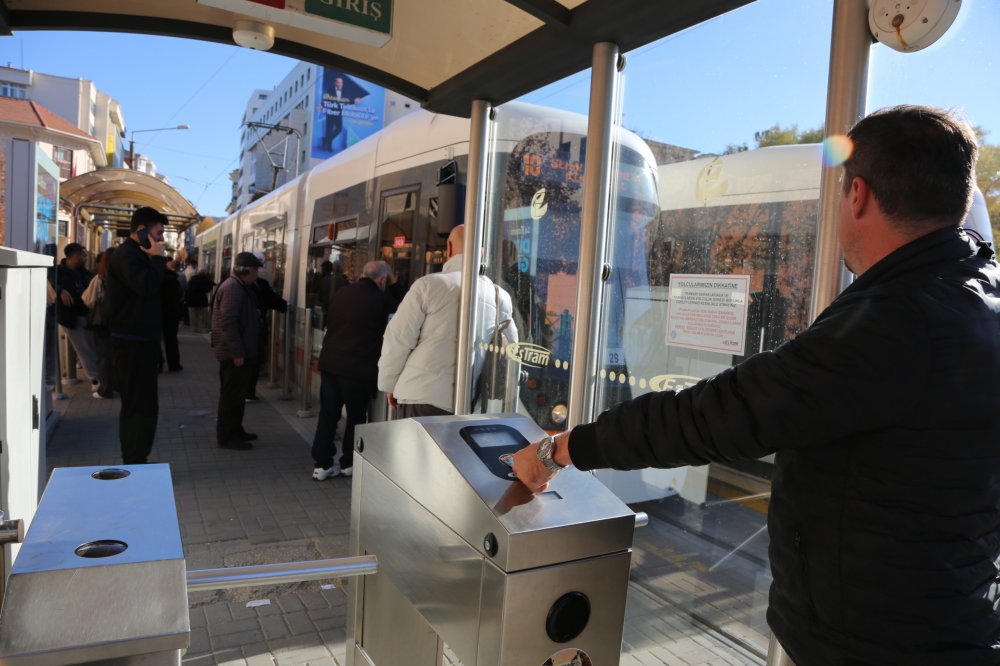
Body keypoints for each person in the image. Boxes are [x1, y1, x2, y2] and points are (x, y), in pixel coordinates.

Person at [512, 106, 999, 665]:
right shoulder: (978, 302)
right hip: (947, 619)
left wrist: (564, 448)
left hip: (875, 642)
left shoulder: (896, 321)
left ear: (858, 195)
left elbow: (719, 415)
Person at [378, 224, 517, 417]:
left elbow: (398, 339)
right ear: (482, 253)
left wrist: (389, 384)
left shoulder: (428, 285)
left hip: (420, 396)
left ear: (449, 248)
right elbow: (512, 349)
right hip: (468, 403)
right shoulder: (500, 296)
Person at [312, 260, 399, 480]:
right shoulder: (383, 300)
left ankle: (322, 465)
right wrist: (394, 284)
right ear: (383, 280)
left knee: (328, 415)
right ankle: (348, 463)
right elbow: (401, 310)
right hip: (358, 369)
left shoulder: (342, 292)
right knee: (356, 418)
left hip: (331, 364)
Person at [106, 206, 168, 464]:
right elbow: (148, 286)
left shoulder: (138, 254)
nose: (162, 240)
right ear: (142, 231)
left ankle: (138, 456)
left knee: (145, 403)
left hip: (142, 342)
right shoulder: (127, 255)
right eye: (159, 233)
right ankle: (134, 459)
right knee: (137, 404)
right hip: (131, 345)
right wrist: (158, 259)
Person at [211, 251, 262, 450]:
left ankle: (236, 429)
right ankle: (227, 436)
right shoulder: (233, 288)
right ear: (246, 270)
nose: (257, 274)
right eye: (255, 270)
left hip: (238, 351)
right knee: (231, 396)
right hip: (234, 354)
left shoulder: (238, 286)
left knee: (237, 395)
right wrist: (237, 352)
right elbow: (228, 322)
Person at [56, 242, 101, 393]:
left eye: (83, 255)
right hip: (72, 317)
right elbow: (50, 283)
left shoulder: (84, 273)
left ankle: (98, 377)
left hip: (87, 314)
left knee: (90, 347)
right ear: (69, 257)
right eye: (79, 256)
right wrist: (61, 290)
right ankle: (95, 379)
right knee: (85, 350)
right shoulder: (59, 272)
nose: (83, 258)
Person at [246, 264, 288, 402]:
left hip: (248, 331)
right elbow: (274, 301)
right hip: (254, 329)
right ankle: (248, 392)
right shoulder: (259, 285)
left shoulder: (233, 285)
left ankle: (246, 392)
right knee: (254, 359)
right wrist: (285, 306)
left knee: (251, 360)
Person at [81, 247, 115, 398]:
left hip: (103, 322)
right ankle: (118, 385)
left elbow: (87, 299)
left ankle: (105, 389)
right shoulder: (126, 276)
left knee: (104, 355)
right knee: (117, 355)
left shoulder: (100, 278)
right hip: (122, 321)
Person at [160, 259, 184, 372]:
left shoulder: (156, 278)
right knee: (171, 340)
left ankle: (159, 362)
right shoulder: (173, 278)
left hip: (158, 312)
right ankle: (174, 364)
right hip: (172, 312)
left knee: (155, 339)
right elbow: (179, 294)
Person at [185, 268, 214, 333]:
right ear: (205, 273)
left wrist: (187, 299)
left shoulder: (193, 278)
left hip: (192, 300)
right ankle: (200, 328)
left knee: (193, 315)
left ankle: (193, 328)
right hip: (202, 300)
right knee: (201, 315)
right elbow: (210, 287)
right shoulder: (206, 279)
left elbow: (188, 289)